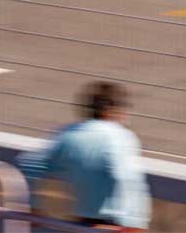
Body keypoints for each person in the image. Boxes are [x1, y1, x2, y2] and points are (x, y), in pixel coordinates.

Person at [16, 82, 151, 231]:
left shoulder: (67, 135)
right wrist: (135, 224)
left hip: (80, 225)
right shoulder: (120, 137)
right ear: (111, 110)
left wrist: (32, 207)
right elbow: (127, 179)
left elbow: (29, 164)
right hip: (114, 226)